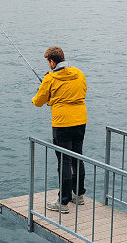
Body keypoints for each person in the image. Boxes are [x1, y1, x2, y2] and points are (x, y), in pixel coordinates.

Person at [32, 46, 87, 214]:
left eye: (48, 62)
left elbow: (38, 101)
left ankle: (63, 202)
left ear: (52, 61)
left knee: (64, 161)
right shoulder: (79, 73)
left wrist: (51, 98)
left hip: (62, 123)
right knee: (78, 156)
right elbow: (83, 91)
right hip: (80, 120)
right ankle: (78, 195)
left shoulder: (50, 78)